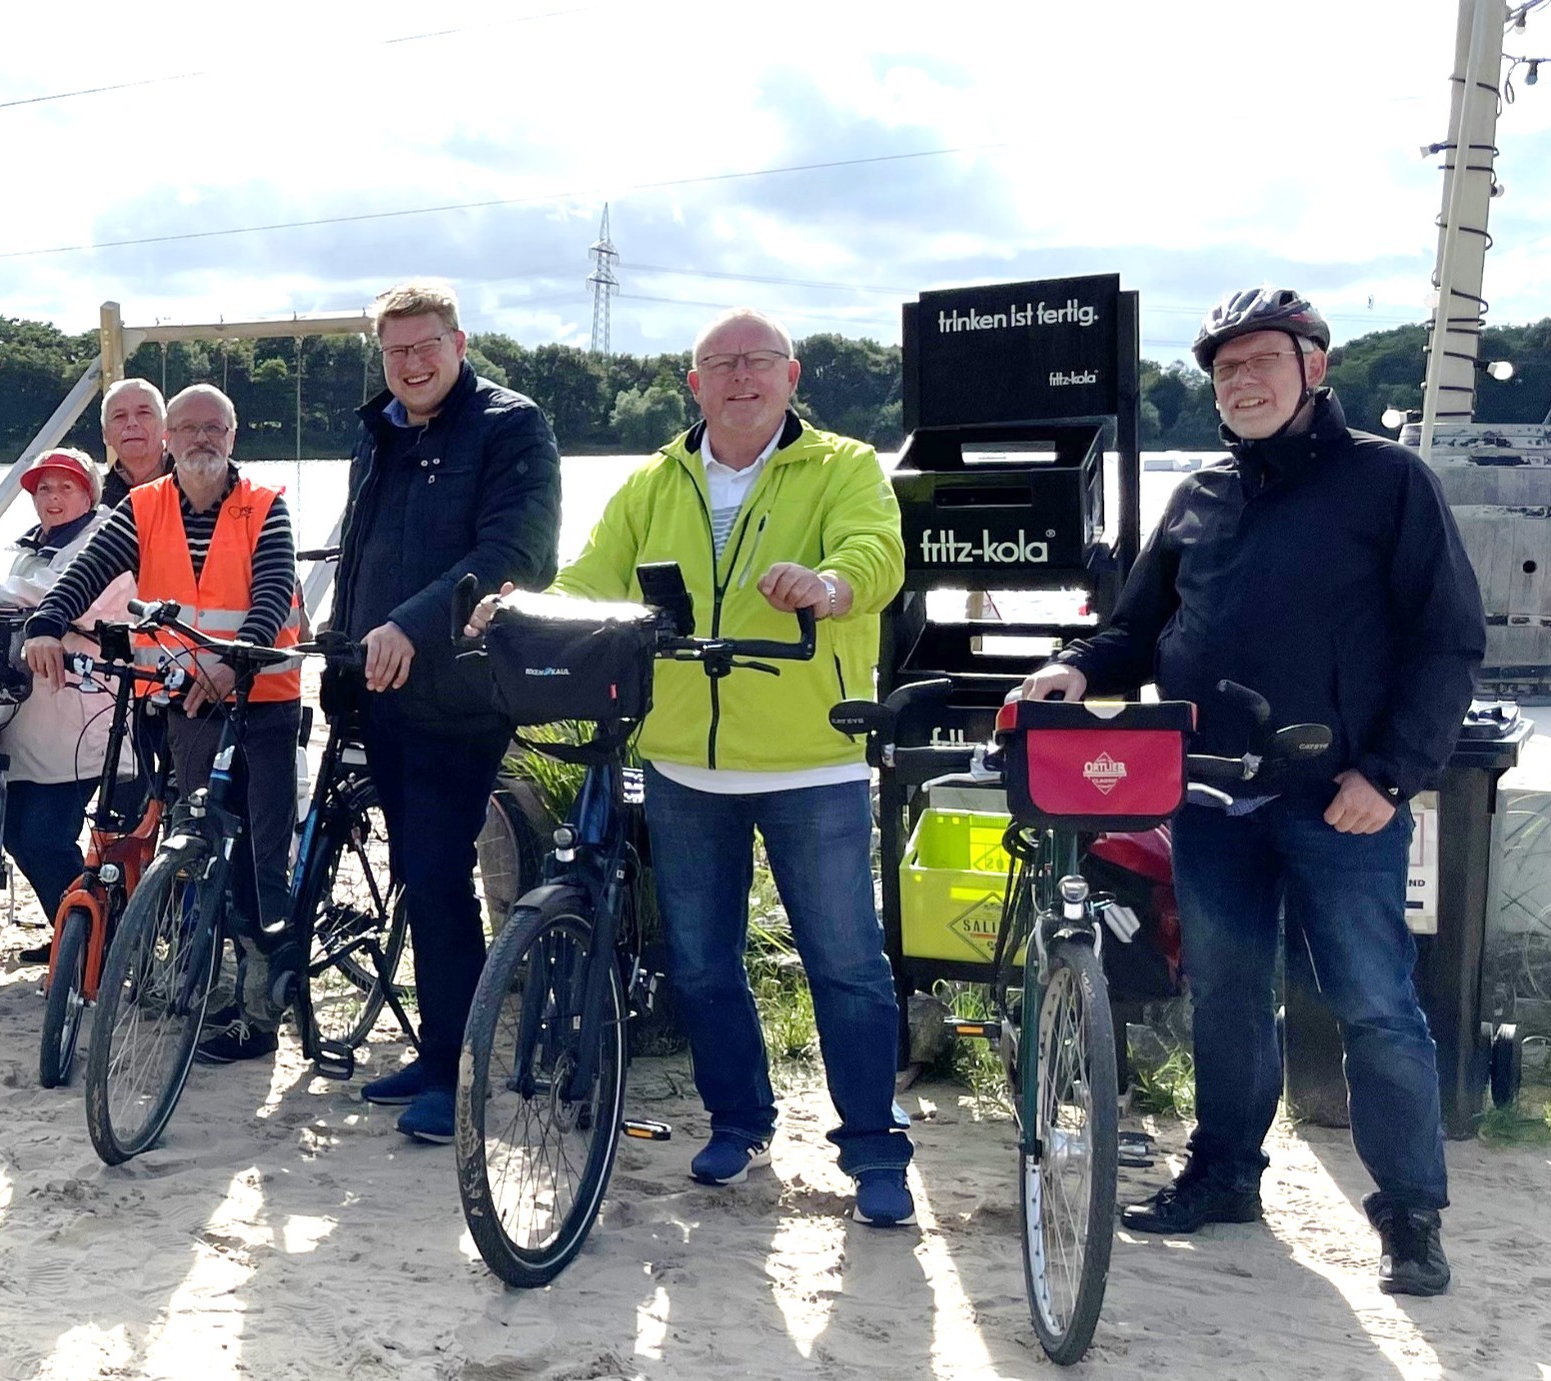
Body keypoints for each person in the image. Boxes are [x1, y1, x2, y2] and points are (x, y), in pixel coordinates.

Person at [1021, 287, 1485, 1295]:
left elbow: (1448, 642)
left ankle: (1410, 1211)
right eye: (1225, 369)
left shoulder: (1388, 481)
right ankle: (1227, 1174)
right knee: (1226, 996)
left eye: (1262, 360)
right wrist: (1075, 668)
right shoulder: (1200, 496)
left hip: (1341, 799)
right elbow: (1137, 628)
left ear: (1315, 366)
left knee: (1374, 1003)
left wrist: (1392, 772)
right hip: (1209, 797)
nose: (1242, 381)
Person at [473, 307, 916, 1226]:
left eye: (758, 361)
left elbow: (875, 555)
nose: (740, 377)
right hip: (683, 762)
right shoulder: (653, 480)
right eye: (721, 364)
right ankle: (739, 1120)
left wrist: (828, 587)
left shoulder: (844, 466)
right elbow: (595, 577)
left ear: (792, 377)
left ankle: (874, 1146)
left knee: (846, 965)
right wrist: (522, 610)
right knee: (705, 964)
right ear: (694, 384)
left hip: (811, 758)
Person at [325, 278, 559, 1140]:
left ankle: (458, 1073)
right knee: (420, 881)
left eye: (426, 345)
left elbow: (518, 551)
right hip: (380, 687)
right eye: (395, 350)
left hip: (461, 692)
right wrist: (341, 644)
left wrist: (410, 625)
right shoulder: (379, 430)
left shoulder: (510, 424)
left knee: (436, 873)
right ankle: (435, 1054)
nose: (412, 363)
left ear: (459, 344)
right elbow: (360, 549)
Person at [23, 385, 300, 1062]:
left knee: (263, 851)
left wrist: (237, 660)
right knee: (197, 833)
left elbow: (272, 591)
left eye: (214, 427)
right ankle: (200, 964)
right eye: (188, 428)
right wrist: (46, 622)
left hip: (263, 695)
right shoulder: (143, 506)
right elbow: (86, 570)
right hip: (187, 700)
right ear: (169, 440)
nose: (202, 438)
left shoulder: (266, 504)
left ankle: (262, 1008)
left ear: (232, 435)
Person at [0, 449, 128, 933]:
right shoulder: (29, 547)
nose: (53, 497)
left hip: (80, 719)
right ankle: (72, 933)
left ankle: (93, 938)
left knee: (44, 836)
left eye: (67, 487)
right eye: (43, 488)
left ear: (90, 495)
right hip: (28, 718)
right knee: (18, 834)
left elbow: (47, 591)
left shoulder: (102, 540)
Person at [98, 377, 173, 506]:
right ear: (105, 434)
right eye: (119, 416)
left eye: (144, 413)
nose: (132, 423)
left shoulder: (196, 488)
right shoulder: (94, 500)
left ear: (165, 426)